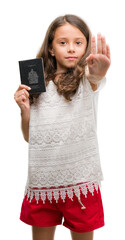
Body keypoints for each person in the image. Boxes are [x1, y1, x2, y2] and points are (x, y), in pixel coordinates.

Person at [14, 14, 111, 240]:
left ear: (86, 46)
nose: (71, 49)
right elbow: (30, 136)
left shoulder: (86, 81)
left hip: (80, 184)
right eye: (63, 42)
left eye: (78, 42)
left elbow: (95, 76)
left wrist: (98, 72)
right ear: (50, 48)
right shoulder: (36, 84)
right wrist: (25, 110)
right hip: (42, 183)